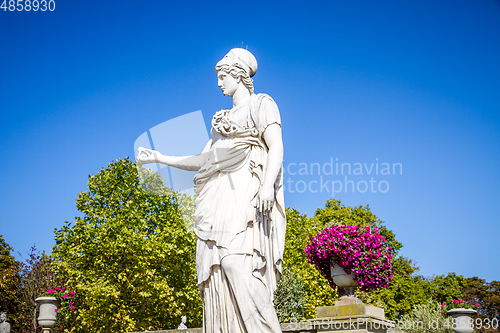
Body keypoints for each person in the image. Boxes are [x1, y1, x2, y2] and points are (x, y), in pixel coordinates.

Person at [137, 48, 286, 333]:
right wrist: (159, 157)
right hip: (218, 197)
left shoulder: (262, 103)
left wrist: (268, 185)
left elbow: (276, 145)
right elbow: (204, 159)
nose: (219, 83)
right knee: (218, 272)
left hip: (247, 190)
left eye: (222, 76)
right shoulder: (220, 121)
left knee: (235, 264)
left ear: (239, 75)